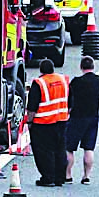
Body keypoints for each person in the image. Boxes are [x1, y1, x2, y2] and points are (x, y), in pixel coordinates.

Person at [25, 58, 69, 186]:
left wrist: (29, 122)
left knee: (44, 152)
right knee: (60, 149)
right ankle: (60, 177)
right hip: (61, 121)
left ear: (41, 70)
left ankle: (48, 177)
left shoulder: (39, 83)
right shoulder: (63, 80)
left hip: (43, 123)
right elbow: (70, 101)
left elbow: (32, 106)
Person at [65, 55, 99, 184]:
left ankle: (68, 174)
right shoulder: (98, 80)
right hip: (93, 117)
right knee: (89, 148)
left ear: (81, 67)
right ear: (93, 66)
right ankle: (86, 175)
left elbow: (70, 100)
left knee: (69, 148)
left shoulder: (76, 82)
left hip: (77, 117)